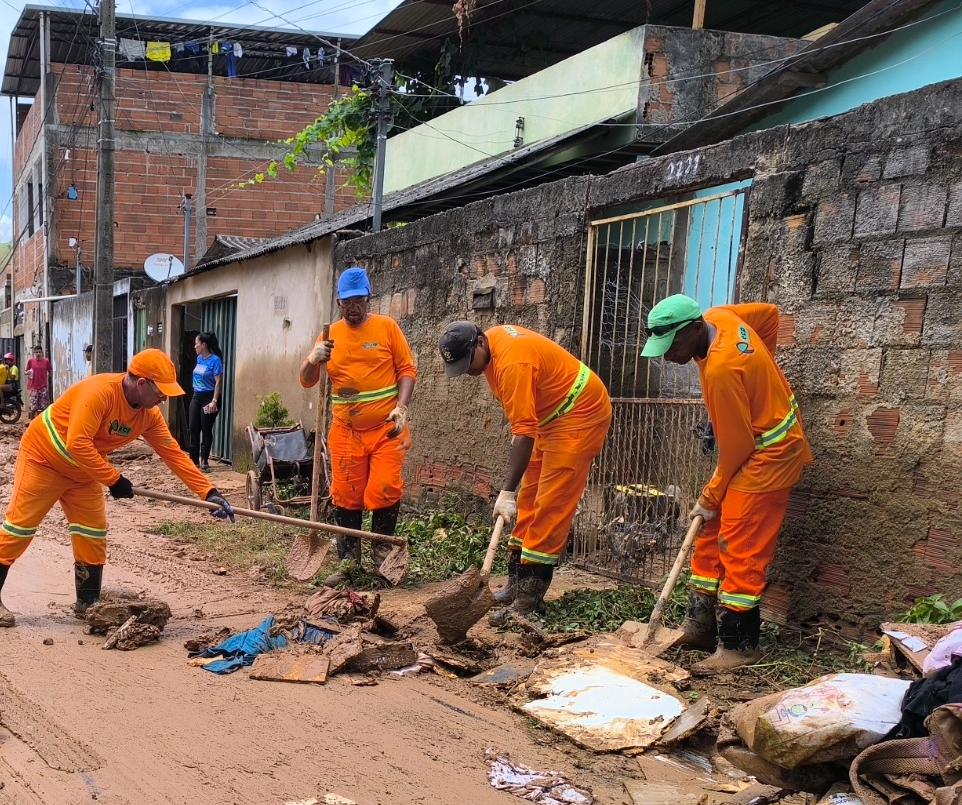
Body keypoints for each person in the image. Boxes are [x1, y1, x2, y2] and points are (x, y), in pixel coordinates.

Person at [0, 348, 236, 627]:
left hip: (84, 472)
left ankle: (88, 602)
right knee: (20, 527)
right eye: (161, 391)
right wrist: (113, 479)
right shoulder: (98, 393)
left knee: (92, 532)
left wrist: (209, 492)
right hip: (44, 459)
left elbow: (173, 453)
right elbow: (78, 443)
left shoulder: (149, 415)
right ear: (142, 384)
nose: (164, 397)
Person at [640, 294, 811, 673]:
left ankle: (738, 646)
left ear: (696, 328)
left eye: (674, 346)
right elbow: (769, 315)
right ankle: (700, 626)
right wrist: (757, 377)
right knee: (709, 531)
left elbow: (736, 450)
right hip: (751, 447)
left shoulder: (721, 369)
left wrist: (710, 493)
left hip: (770, 453)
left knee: (740, 543)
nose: (668, 357)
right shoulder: (721, 316)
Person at [438, 321, 613, 616]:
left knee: (550, 505)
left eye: (468, 363)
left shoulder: (512, 363)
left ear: (480, 343)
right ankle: (515, 585)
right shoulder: (491, 351)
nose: (468, 371)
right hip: (548, 418)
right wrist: (514, 492)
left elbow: (523, 433)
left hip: (579, 413)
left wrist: (505, 491)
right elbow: (523, 421)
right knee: (528, 497)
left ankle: (530, 600)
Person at [298, 266, 416, 579]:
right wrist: (313, 359)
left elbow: (406, 370)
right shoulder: (329, 335)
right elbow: (307, 380)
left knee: (385, 488)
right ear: (338, 302)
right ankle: (348, 564)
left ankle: (383, 559)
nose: (353, 307)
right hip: (346, 432)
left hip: (387, 429)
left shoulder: (387, 328)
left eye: (359, 300)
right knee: (346, 494)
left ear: (368, 299)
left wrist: (401, 408)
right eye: (347, 301)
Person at [188, 331, 224, 472]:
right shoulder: (199, 359)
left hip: (209, 398)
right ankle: (193, 461)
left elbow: (218, 382)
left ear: (204, 345)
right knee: (193, 428)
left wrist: (214, 401)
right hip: (196, 397)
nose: (195, 346)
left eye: (197, 343)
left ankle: (204, 461)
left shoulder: (215, 360)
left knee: (206, 429)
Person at [25, 345, 52, 417]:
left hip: (43, 387)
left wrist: (47, 376)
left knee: (43, 407)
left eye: (39, 352)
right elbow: (26, 371)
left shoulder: (46, 362)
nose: (38, 354)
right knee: (34, 407)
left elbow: (50, 371)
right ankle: (32, 422)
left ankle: (41, 422)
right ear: (34, 353)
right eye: (36, 352)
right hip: (34, 387)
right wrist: (27, 373)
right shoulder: (31, 361)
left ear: (42, 352)